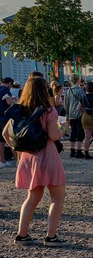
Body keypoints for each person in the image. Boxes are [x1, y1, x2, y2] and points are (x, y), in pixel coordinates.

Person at [2, 77, 68, 245]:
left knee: (32, 197)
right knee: (57, 197)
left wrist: (16, 149)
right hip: (47, 155)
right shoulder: (48, 111)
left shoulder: (19, 110)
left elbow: (5, 133)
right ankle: (51, 236)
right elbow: (53, 135)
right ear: (44, 90)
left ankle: (22, 234)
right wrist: (64, 128)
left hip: (28, 156)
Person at [64, 74, 86, 158]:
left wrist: (67, 115)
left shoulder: (68, 91)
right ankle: (79, 150)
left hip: (71, 114)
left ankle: (72, 150)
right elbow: (84, 101)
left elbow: (66, 104)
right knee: (80, 132)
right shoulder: (80, 91)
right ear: (78, 80)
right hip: (79, 113)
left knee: (73, 131)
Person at [0, 77, 16, 169]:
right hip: (5, 117)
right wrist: (14, 103)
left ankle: (2, 160)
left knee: (1, 140)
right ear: (10, 83)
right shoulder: (6, 89)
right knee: (11, 138)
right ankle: (18, 158)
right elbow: (9, 102)